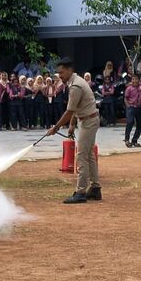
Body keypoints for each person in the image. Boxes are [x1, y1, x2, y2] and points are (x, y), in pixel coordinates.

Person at [46, 58, 101, 204]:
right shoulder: (75, 81)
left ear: (70, 70)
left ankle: (81, 192)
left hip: (88, 121)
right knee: (88, 155)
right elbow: (75, 109)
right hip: (87, 119)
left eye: (62, 73)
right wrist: (71, 125)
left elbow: (70, 110)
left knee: (81, 155)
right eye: (58, 73)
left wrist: (56, 127)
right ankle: (95, 189)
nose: (60, 76)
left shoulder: (75, 86)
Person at [123, 74, 141, 147]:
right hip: (131, 107)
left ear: (139, 80)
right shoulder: (129, 88)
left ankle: (134, 140)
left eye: (136, 79)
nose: (135, 81)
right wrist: (128, 106)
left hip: (139, 107)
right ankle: (127, 139)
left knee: (140, 124)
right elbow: (125, 98)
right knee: (130, 122)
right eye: (133, 79)